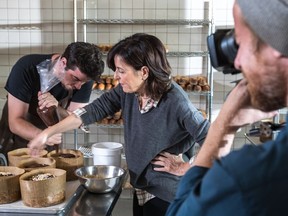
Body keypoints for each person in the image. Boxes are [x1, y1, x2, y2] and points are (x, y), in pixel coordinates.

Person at [28, 33, 210, 216]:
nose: (116, 76)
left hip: (168, 197)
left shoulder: (176, 102)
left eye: (121, 71)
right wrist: (47, 133)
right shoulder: (128, 91)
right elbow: (91, 111)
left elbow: (212, 138)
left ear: (144, 72)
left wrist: (186, 167)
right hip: (142, 190)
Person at [166, 0, 288, 215]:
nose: (238, 63)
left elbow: (182, 211)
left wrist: (223, 126)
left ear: (276, 44)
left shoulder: (249, 178)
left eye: (241, 44)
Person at [0, 42, 104, 157]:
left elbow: (76, 118)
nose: (79, 86)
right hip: (15, 137)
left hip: (49, 135)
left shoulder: (84, 78)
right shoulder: (26, 67)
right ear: (63, 63)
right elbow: (15, 122)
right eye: (75, 78)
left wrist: (57, 109)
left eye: (83, 82)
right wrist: (42, 135)